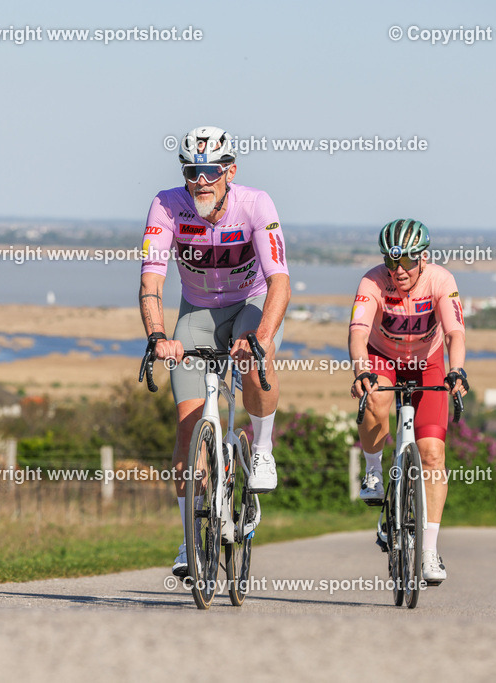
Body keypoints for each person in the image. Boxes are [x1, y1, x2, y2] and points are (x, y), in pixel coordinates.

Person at [139, 126, 291, 577]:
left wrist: (262, 336)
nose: (201, 180)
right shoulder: (167, 205)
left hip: (251, 303)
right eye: (192, 171)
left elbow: (280, 279)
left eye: (210, 171)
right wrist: (156, 336)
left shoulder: (255, 204)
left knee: (249, 357)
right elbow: (151, 278)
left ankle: (261, 447)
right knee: (188, 434)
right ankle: (190, 538)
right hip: (198, 311)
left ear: (230, 171)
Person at [348, 219, 468, 584]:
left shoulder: (440, 280)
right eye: (390, 261)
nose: (397, 270)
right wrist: (360, 371)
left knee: (432, 453)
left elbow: (454, 332)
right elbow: (357, 332)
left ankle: (429, 551)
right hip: (383, 359)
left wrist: (457, 371)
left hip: (428, 364)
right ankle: (372, 470)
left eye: (406, 262)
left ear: (423, 258)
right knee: (376, 403)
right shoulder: (372, 281)